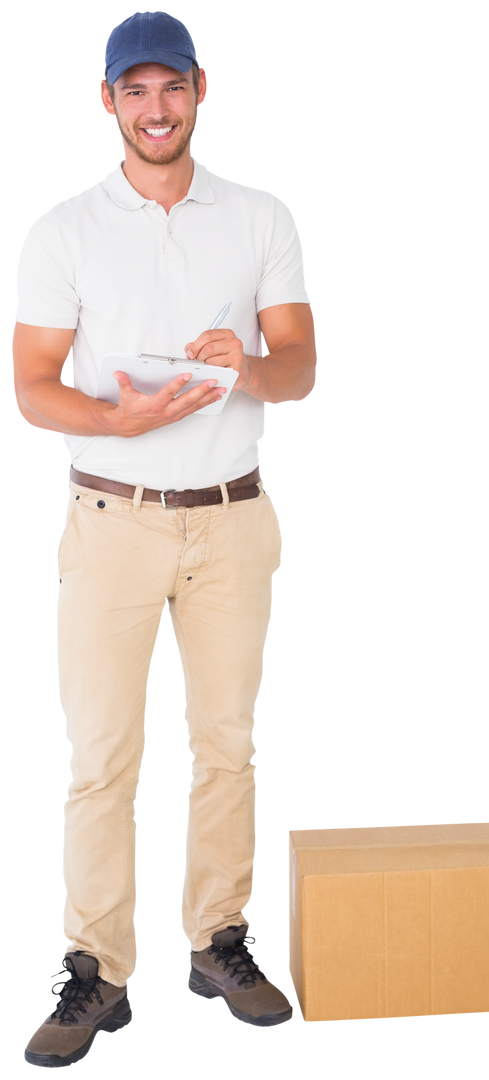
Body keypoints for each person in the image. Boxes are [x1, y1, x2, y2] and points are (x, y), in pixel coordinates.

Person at [13, 9, 318, 1067]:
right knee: (102, 756)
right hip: (109, 523)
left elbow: (301, 372)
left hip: (235, 520)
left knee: (226, 743)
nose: (154, 108)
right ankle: (95, 968)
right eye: (132, 90)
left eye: (170, 87)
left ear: (200, 89)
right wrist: (117, 418)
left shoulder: (262, 217)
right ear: (106, 100)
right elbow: (30, 387)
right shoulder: (62, 230)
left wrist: (241, 368)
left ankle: (218, 938)